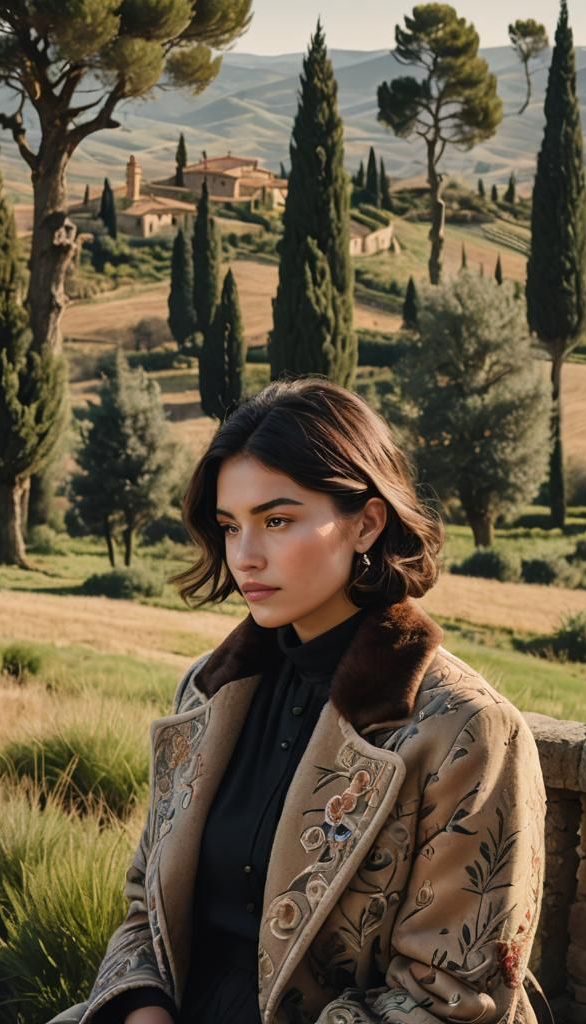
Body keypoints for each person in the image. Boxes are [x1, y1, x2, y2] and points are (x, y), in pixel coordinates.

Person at [49, 377, 547, 1024]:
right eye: (230, 527)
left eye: (277, 521)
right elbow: (148, 906)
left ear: (367, 523)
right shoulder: (208, 691)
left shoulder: (465, 730)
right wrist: (143, 1012)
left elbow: (452, 1000)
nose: (244, 557)